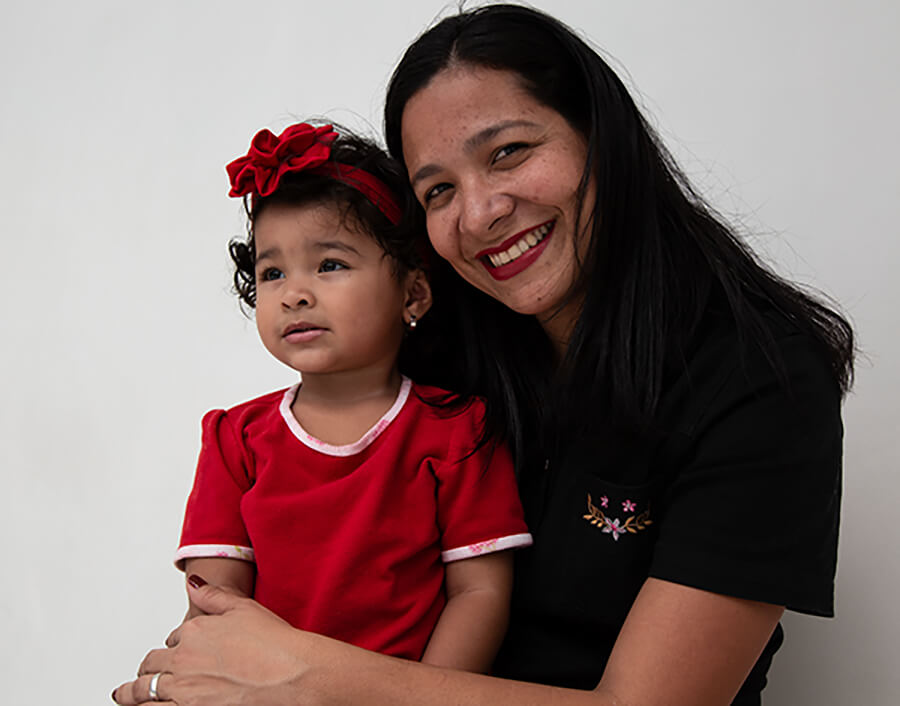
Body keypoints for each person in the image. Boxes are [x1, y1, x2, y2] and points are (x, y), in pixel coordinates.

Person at [113, 5, 853, 705]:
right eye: (437, 190)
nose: (479, 213)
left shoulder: (759, 379)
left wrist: (312, 677)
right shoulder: (435, 352)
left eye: (509, 152)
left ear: (605, 137)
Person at [160, 120, 532, 676]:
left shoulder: (460, 431)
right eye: (273, 272)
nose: (295, 294)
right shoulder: (234, 439)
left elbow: (479, 596)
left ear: (413, 292)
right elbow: (214, 602)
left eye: (330, 264)